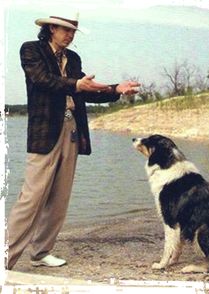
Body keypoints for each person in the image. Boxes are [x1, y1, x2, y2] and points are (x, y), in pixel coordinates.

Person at [6, 13, 140, 269]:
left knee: (60, 198)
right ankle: (5, 258)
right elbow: (44, 81)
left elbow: (84, 91)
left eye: (73, 31)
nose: (70, 35)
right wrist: (77, 84)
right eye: (65, 29)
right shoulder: (31, 50)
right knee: (31, 198)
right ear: (51, 28)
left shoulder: (73, 58)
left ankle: (41, 252)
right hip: (44, 132)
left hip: (72, 130)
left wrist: (114, 90)